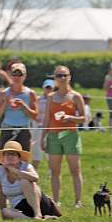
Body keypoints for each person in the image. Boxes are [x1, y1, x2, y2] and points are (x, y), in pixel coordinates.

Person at [40, 65, 86, 208]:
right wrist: (43, 137)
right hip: (53, 135)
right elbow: (46, 119)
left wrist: (71, 118)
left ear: (70, 77)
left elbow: (84, 118)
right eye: (59, 75)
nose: (62, 78)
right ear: (55, 78)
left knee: (75, 169)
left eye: (65, 75)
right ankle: (56, 200)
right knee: (55, 170)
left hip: (70, 135)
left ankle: (78, 201)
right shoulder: (51, 98)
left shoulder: (76, 96)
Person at [0, 141, 60, 220]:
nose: (9, 156)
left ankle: (38, 215)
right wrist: (3, 215)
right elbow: (1, 195)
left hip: (39, 204)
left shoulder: (26, 166)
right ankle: (37, 219)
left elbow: (35, 178)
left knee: (25, 181)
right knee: (5, 211)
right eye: (7, 154)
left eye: (13, 154)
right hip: (20, 208)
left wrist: (15, 171)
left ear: (19, 157)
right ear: (3, 157)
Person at [0, 63, 37, 152]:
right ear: (10, 75)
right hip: (7, 129)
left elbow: (35, 116)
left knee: (23, 160)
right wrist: (5, 103)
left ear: (25, 76)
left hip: (24, 130)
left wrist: (23, 106)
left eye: (20, 75)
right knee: (4, 159)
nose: (17, 77)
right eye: (14, 74)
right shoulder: (4, 93)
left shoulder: (30, 93)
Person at [30, 79, 54, 168]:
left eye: (50, 88)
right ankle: (33, 174)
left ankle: (52, 174)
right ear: (43, 88)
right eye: (46, 87)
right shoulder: (38, 100)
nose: (48, 89)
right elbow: (34, 113)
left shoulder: (55, 100)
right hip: (38, 127)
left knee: (51, 153)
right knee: (36, 152)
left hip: (50, 128)